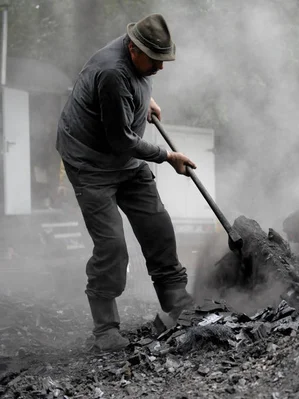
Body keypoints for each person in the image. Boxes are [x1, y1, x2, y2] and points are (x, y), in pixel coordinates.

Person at [56, 13, 196, 351]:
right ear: (133, 49)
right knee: (113, 247)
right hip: (90, 162)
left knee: (157, 225)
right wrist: (167, 156)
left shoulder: (136, 63)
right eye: (155, 61)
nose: (160, 69)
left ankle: (176, 298)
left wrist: (144, 98)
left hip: (124, 159)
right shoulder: (112, 72)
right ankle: (104, 329)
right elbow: (122, 140)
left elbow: (135, 83)